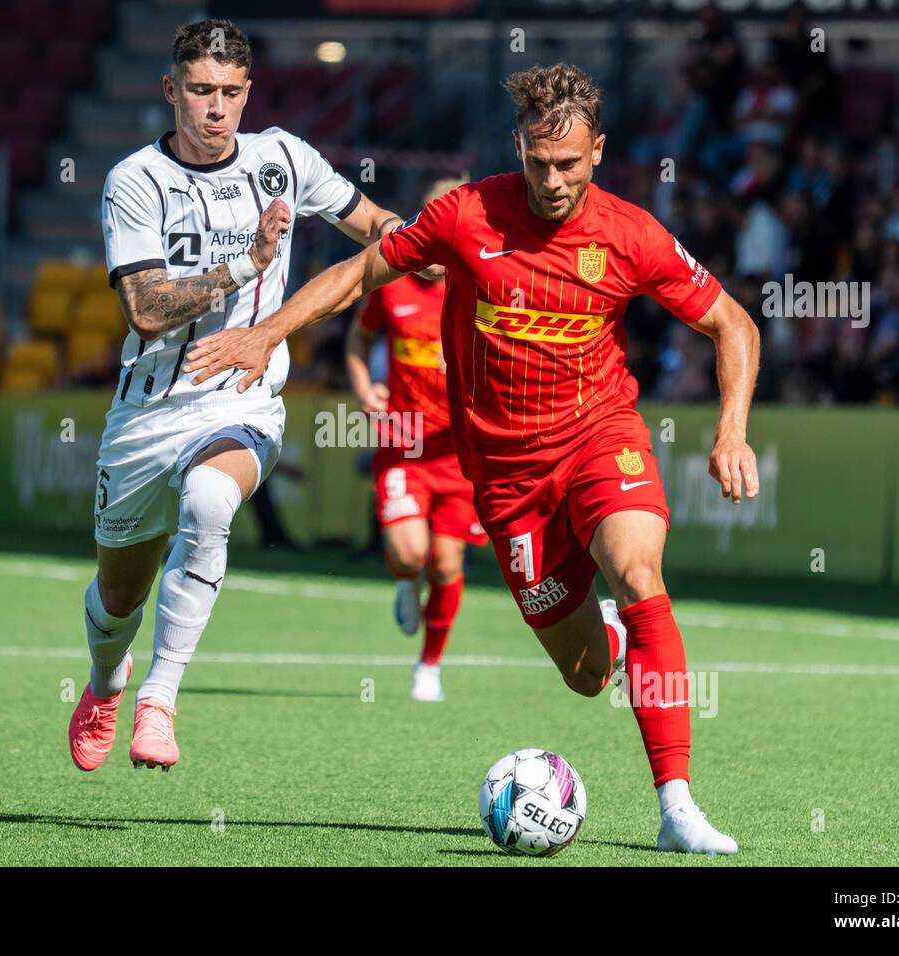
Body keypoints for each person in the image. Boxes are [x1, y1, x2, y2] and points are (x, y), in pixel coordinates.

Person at [182, 63, 760, 854]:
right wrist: (267, 331)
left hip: (601, 439)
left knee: (640, 575)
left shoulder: (632, 235)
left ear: (600, 151)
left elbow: (734, 324)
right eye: (537, 162)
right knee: (588, 675)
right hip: (506, 481)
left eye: (569, 164)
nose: (552, 181)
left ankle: (677, 807)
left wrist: (731, 429)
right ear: (518, 146)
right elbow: (361, 270)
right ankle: (623, 651)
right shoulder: (465, 215)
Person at [70, 19, 412, 772]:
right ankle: (105, 681)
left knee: (210, 504)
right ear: (171, 91)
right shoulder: (135, 181)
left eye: (229, 92)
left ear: (247, 92)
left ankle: (159, 699)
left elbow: (372, 224)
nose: (216, 107)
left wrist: (420, 248)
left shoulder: (282, 158)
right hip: (148, 410)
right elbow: (146, 308)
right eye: (199, 91)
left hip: (241, 400)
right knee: (116, 600)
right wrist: (243, 266)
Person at [345, 176, 493, 701]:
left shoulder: (481, 286)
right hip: (404, 445)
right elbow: (358, 339)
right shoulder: (392, 283)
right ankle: (406, 581)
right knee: (411, 555)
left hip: (460, 456)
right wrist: (365, 387)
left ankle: (428, 666)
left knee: (447, 563)